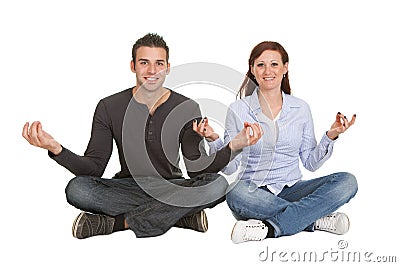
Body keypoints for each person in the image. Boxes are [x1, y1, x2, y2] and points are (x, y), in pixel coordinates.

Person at [22, 33, 263, 239]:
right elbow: (94, 168)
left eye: (159, 64)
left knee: (217, 184)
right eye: (144, 63)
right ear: (133, 66)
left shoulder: (187, 108)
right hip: (127, 186)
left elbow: (197, 171)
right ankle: (180, 215)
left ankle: (116, 224)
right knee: (77, 189)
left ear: (168, 67)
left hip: (172, 185)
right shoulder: (109, 106)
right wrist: (56, 148)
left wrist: (235, 145)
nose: (152, 71)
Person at [194, 41, 358, 244]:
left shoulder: (300, 108)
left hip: (293, 189)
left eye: (274, 64)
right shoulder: (238, 109)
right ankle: (313, 219)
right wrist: (215, 139)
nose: (267, 71)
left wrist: (331, 135)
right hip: (253, 194)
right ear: (252, 70)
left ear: (285, 68)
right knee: (234, 192)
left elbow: (310, 163)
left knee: (347, 181)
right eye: (261, 65)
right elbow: (230, 169)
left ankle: (269, 228)